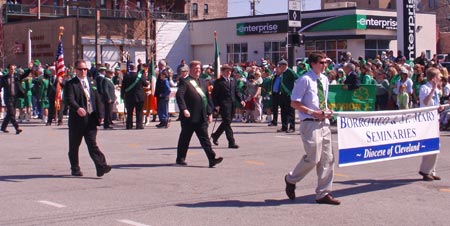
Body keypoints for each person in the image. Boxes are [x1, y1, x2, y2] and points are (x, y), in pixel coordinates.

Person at [284, 52, 340, 205]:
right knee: (313, 157)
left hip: (324, 123)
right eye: (321, 62)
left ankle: (323, 193)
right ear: (313, 63)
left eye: (325, 62)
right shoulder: (305, 80)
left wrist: (327, 111)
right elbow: (294, 103)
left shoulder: (324, 79)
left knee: (328, 159)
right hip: (310, 123)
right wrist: (313, 112)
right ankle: (291, 179)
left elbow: (323, 100)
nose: (324, 65)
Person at [63, 59, 111, 177]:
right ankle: (75, 168)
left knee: (92, 144)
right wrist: (77, 108)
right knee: (74, 146)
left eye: (85, 69)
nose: (83, 71)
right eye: (80, 69)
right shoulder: (71, 84)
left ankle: (101, 166)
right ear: (76, 70)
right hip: (77, 120)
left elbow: (97, 99)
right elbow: (69, 99)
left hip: (91, 119)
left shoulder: (92, 82)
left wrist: (100, 115)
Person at [175, 60, 223, 167]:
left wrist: (210, 112)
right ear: (190, 69)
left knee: (205, 139)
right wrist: (184, 109)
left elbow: (207, 98)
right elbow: (180, 96)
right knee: (185, 138)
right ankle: (180, 158)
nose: (198, 71)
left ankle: (212, 159)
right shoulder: (185, 81)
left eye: (199, 69)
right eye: (195, 69)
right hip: (189, 117)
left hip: (201, 116)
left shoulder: (203, 82)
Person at [211, 64, 245, 149]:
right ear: (222, 72)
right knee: (227, 123)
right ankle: (231, 142)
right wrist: (216, 105)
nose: (229, 73)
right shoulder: (218, 82)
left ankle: (215, 135)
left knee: (227, 122)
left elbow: (236, 91)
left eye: (230, 71)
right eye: (227, 71)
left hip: (232, 104)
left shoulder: (233, 80)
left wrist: (241, 100)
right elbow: (214, 95)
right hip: (223, 105)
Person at [417, 67, 443, 181]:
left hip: (435, 119)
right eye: (438, 77)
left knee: (436, 145)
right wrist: (433, 89)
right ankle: (425, 170)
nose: (440, 79)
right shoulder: (424, 88)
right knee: (430, 145)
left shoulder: (436, 90)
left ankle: (431, 170)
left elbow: (435, 104)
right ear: (433, 78)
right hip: (427, 121)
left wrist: (439, 107)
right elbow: (426, 102)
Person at [269, 60, 299, 133]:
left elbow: (298, 79)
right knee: (283, 111)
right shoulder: (282, 73)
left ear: (284, 65)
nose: (279, 67)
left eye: (280, 66)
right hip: (282, 94)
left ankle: (292, 127)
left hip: (289, 94)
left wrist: (294, 90)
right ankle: (284, 127)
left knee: (290, 111)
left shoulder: (290, 71)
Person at [121, 64, 149, 129]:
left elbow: (123, 87)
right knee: (139, 111)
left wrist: (122, 96)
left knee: (129, 112)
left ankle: (129, 125)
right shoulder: (140, 76)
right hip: (139, 96)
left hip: (129, 97)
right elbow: (146, 84)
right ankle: (139, 125)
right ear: (136, 68)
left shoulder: (126, 76)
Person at [0, 64, 23, 134]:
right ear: (8, 70)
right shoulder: (4, 78)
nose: (13, 71)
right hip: (8, 97)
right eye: (11, 69)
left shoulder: (16, 77)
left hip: (14, 97)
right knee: (12, 113)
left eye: (13, 69)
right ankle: (17, 127)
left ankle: (3, 127)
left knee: (9, 113)